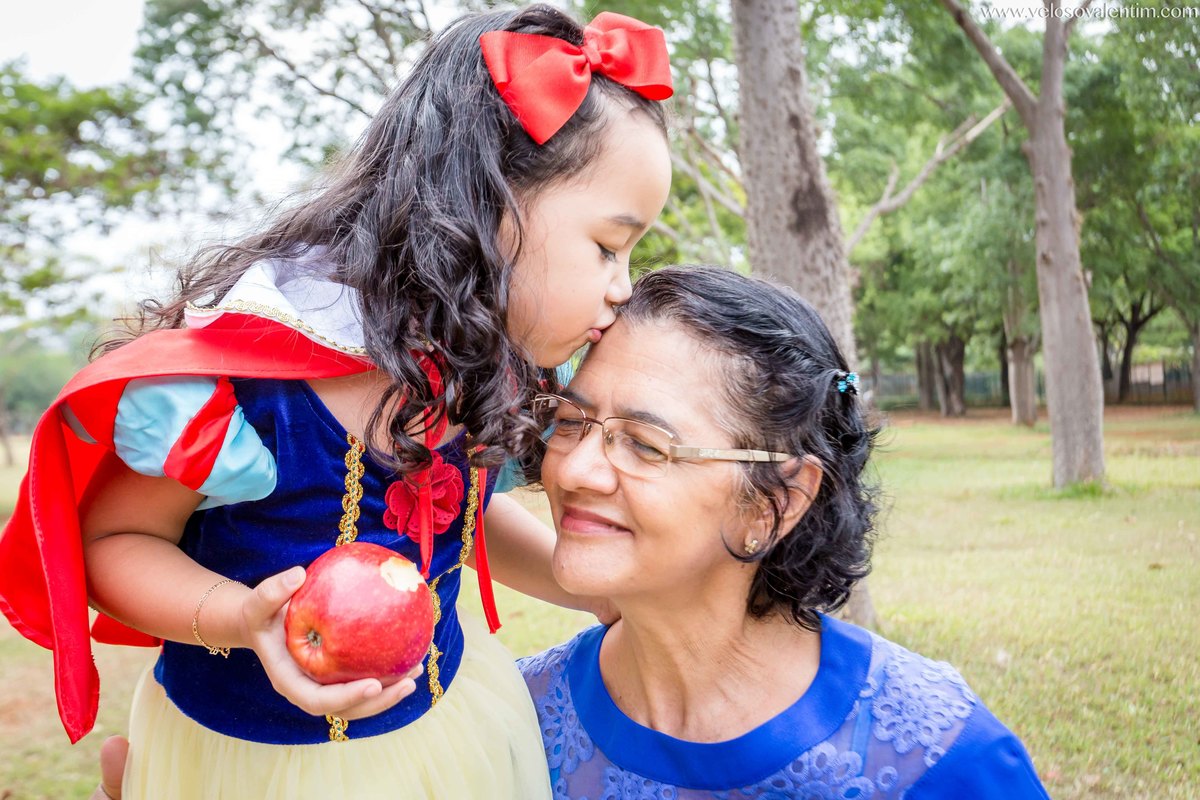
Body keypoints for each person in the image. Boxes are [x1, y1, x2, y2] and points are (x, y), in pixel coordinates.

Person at [0, 5, 673, 799]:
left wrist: (591, 588)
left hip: (450, 734)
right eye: (607, 245)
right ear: (488, 206)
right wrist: (241, 618)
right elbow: (115, 539)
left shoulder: (472, 368)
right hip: (249, 766)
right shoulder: (248, 379)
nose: (622, 288)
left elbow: (454, 511)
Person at [519, 266, 1052, 798]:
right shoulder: (518, 718)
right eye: (569, 423)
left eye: (645, 443)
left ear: (776, 501)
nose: (571, 470)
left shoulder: (943, 761)